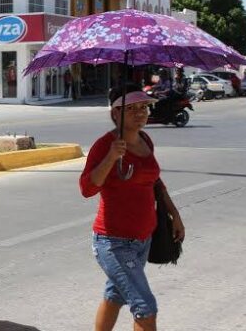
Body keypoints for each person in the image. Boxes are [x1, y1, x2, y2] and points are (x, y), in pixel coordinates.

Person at [79, 85, 185, 331]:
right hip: (113, 242)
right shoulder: (105, 145)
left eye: (143, 107)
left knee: (115, 295)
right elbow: (87, 188)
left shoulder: (146, 140)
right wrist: (110, 158)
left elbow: (154, 182)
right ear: (115, 114)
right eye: (131, 108)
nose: (140, 113)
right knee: (145, 308)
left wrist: (174, 214)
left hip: (143, 238)